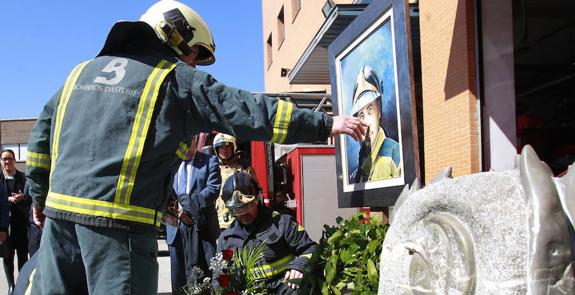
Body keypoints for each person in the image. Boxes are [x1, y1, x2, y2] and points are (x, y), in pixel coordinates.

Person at [25, 1, 366, 294]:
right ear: (173, 34)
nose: (191, 64)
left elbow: (41, 141)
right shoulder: (173, 78)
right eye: (192, 55)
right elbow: (244, 109)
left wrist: (39, 199)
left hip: (58, 224)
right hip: (119, 231)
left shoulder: (78, 74)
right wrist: (324, 123)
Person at [217, 171, 316, 294]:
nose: (243, 215)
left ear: (258, 198)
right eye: (237, 211)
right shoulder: (226, 239)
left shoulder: (282, 223)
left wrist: (299, 266)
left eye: (248, 207)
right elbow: (220, 277)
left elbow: (311, 249)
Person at [167, 134, 221, 294]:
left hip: (200, 228)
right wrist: (177, 211)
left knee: (202, 277)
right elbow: (166, 192)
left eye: (185, 144)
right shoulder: (171, 163)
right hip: (175, 229)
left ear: (194, 141)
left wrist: (187, 207)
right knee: (178, 279)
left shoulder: (209, 161)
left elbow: (212, 190)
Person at [350, 65, 401, 183]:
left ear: (379, 110)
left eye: (370, 110)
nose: (366, 122)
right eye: (361, 115)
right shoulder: (357, 172)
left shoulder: (395, 154)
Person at [212, 133, 255, 230]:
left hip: (243, 218)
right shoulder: (213, 171)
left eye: (227, 147)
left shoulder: (244, 168)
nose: (224, 151)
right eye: (221, 148)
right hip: (220, 222)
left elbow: (255, 193)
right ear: (217, 150)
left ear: (233, 148)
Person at [1, 149, 28, 293]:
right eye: (4, 159)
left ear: (15, 160)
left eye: (10, 159)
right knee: (7, 257)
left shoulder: (24, 178)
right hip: (4, 227)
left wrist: (22, 197)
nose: (7, 162)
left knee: (23, 256)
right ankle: (11, 286)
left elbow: (30, 199)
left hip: (22, 225)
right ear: (1, 161)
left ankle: (22, 285)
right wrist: (8, 199)